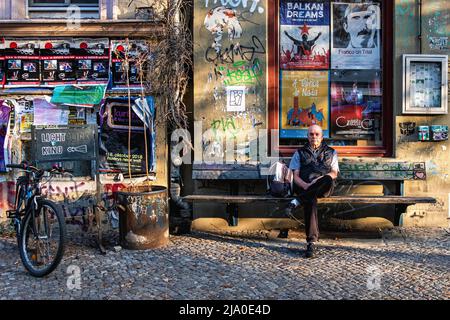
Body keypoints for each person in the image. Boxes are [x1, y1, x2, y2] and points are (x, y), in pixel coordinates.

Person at [286, 125, 339, 258]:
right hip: (304, 187)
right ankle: (311, 243)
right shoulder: (299, 153)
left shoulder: (331, 152)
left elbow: (334, 173)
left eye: (316, 134)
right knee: (310, 200)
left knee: (327, 178)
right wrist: (305, 185)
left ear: (322, 137)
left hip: (324, 186)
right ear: (307, 136)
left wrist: (318, 180)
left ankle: (297, 200)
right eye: (311, 134)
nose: (313, 137)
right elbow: (295, 175)